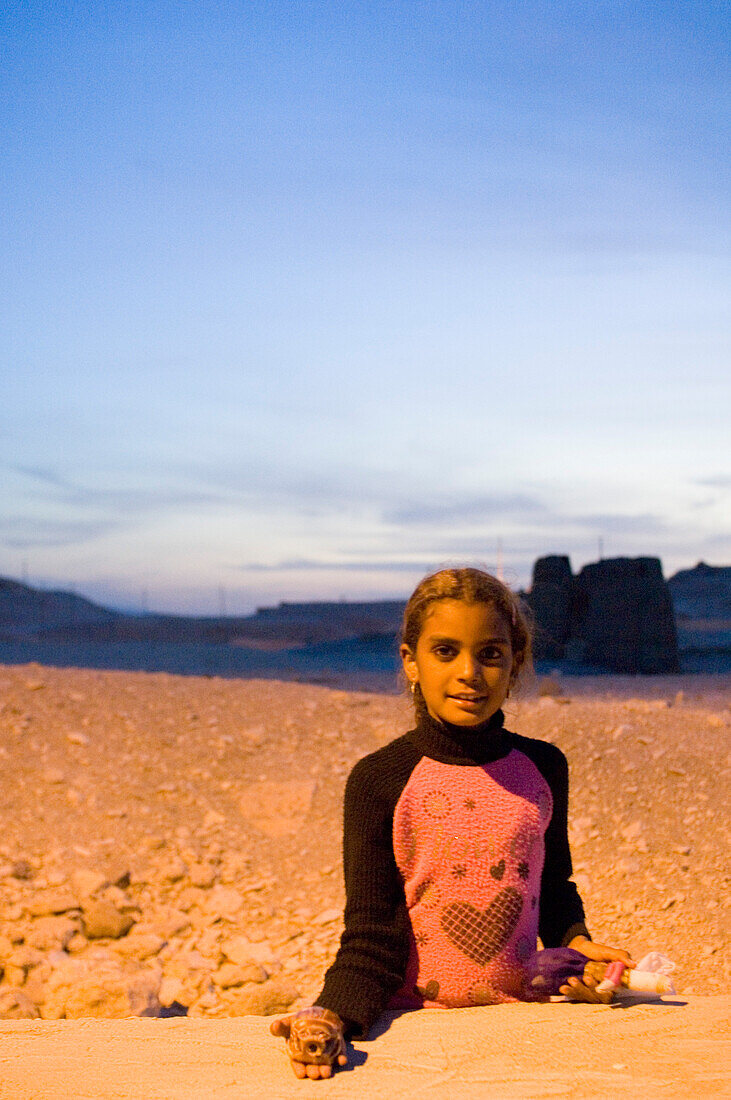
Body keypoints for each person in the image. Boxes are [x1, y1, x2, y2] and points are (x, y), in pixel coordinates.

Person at [272, 568, 633, 1079]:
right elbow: (371, 936)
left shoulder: (544, 767)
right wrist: (333, 1017)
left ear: (515, 665)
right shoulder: (380, 780)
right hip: (415, 1032)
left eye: (491, 653)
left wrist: (576, 945)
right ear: (410, 662)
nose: (470, 672)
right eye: (446, 651)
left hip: (524, 1031)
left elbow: (552, 888)